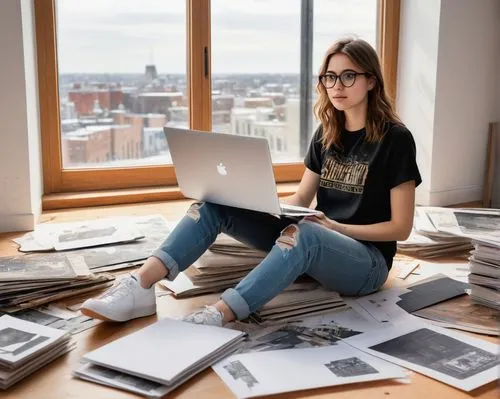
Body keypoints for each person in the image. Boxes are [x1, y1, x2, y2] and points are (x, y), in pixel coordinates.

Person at [81, 38, 422, 326]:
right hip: (316, 242)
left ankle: (220, 314)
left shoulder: (395, 139)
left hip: (366, 263)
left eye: (348, 76)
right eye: (329, 77)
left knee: (308, 234)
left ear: (372, 81)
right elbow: (303, 196)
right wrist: (257, 202)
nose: (337, 86)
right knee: (213, 205)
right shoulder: (327, 133)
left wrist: (336, 228)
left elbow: (400, 228)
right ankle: (139, 285)